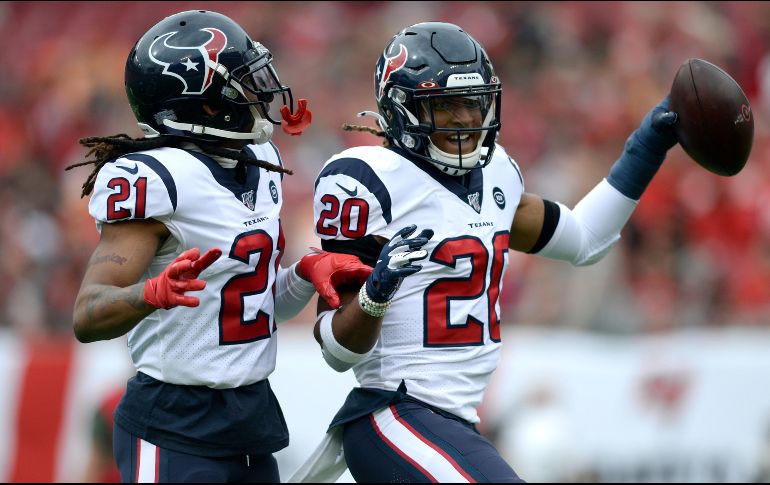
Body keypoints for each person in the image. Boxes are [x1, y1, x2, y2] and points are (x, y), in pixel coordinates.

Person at [293, 22, 679, 483]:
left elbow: (585, 239)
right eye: (445, 105)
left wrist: (651, 141)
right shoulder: (367, 179)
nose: (464, 119)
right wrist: (378, 290)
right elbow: (337, 352)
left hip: (455, 423)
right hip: (393, 411)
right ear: (402, 108)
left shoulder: (496, 175)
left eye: (472, 103)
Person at [68, 10, 375, 483]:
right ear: (205, 105)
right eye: (243, 85)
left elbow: (251, 307)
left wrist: (304, 273)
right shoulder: (156, 179)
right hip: (173, 422)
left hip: (247, 417)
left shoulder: (260, 160)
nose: (260, 95)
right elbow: (88, 314)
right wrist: (148, 294)